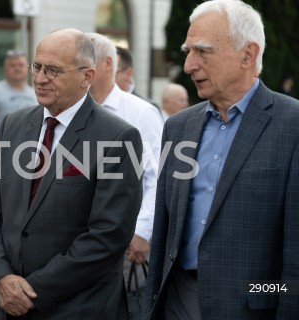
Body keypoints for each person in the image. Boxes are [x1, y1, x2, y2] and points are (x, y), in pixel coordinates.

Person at [142, 1, 299, 319]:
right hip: (177, 301)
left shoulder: (292, 124)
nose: (188, 65)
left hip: (250, 307)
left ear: (248, 54)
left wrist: (269, 297)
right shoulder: (178, 127)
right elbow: (163, 232)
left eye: (202, 51)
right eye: (188, 51)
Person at [0, 28, 143, 319]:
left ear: (87, 77)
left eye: (53, 70)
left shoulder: (118, 137)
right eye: (37, 67)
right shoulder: (12, 125)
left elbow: (108, 236)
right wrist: (1, 277)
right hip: (11, 304)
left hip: (79, 308)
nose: (40, 78)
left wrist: (31, 291)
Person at [88, 32, 163, 314]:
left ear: (108, 64)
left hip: (125, 245)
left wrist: (143, 231)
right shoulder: (70, 112)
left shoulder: (141, 113)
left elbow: (157, 177)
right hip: (78, 245)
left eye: (86, 61)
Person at [0, 50, 37, 137]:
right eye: (12, 65)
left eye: (21, 65)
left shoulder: (35, 93)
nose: (17, 68)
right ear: (5, 69)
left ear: (28, 68)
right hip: (3, 147)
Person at [116, 46, 161, 113]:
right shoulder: (98, 104)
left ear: (128, 73)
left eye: (112, 71)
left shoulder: (148, 108)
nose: (106, 77)